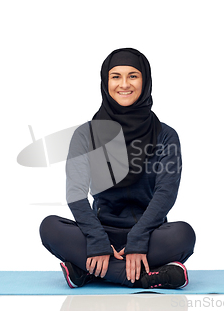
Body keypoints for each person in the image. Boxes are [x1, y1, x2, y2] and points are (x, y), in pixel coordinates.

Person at [39, 48, 196, 289]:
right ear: (105, 81)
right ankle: (140, 277)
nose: (124, 84)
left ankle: (90, 272)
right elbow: (76, 193)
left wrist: (139, 238)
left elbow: (166, 193)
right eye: (116, 76)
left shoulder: (166, 135)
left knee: (183, 236)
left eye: (133, 76)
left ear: (145, 80)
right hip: (99, 232)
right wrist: (97, 239)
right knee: (49, 227)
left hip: (151, 233)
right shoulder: (86, 135)